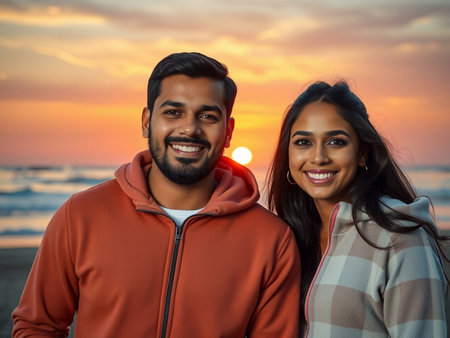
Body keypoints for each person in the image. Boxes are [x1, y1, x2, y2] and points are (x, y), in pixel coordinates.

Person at [12, 52, 301, 337]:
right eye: (173, 112)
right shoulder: (80, 215)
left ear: (228, 131)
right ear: (147, 121)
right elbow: (37, 326)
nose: (189, 128)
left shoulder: (271, 241)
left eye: (207, 115)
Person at [267, 81, 447, 337]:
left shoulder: (401, 238)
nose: (318, 157)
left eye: (336, 142)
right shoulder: (289, 238)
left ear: (362, 153)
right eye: (303, 142)